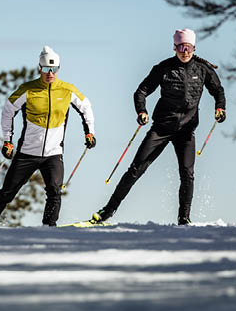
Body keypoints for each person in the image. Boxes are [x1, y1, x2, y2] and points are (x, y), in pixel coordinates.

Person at [91, 28, 226, 226]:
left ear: (193, 47)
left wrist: (220, 107)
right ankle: (107, 211)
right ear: (174, 47)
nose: (184, 51)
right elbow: (141, 91)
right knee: (136, 169)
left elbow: (218, 90)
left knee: (187, 173)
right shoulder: (164, 68)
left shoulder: (203, 69)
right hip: (161, 128)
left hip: (186, 131)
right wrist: (141, 111)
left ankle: (184, 218)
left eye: (188, 47)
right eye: (180, 47)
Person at [0, 45, 96, 227]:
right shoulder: (28, 89)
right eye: (46, 69)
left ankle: (49, 228)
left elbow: (86, 107)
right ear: (39, 68)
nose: (50, 74)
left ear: (58, 69)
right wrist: (7, 141)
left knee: (55, 191)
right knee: (7, 192)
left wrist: (89, 132)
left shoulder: (67, 90)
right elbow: (8, 110)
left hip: (53, 153)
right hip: (27, 153)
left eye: (54, 69)